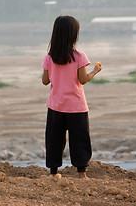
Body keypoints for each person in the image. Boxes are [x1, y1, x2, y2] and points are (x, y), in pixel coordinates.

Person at [41, 15, 102, 179]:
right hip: (76, 106)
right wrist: (95, 70)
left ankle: (53, 173)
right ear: (73, 34)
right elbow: (83, 79)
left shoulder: (49, 57)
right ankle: (82, 174)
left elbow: (45, 81)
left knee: (54, 140)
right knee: (80, 140)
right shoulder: (80, 57)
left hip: (55, 106)